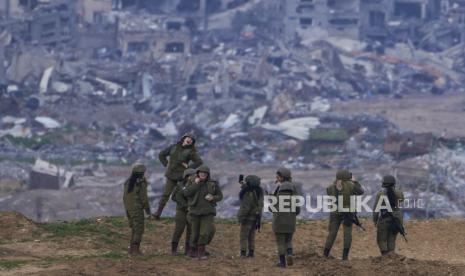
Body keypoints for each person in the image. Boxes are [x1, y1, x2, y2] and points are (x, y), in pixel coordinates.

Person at [154, 133, 203, 219]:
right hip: (171, 175)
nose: (189, 140)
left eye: (191, 140)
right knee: (166, 194)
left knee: (183, 195)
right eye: (188, 138)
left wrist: (188, 167)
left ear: (192, 142)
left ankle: (188, 214)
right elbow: (161, 154)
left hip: (182, 177)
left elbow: (199, 162)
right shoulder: (173, 147)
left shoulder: (191, 151)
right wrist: (166, 164)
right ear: (183, 138)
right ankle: (158, 213)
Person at [323, 170, 364, 261]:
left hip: (335, 212)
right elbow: (361, 191)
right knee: (347, 234)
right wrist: (355, 181)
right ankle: (345, 257)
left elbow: (329, 191)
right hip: (348, 213)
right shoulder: (351, 185)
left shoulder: (331, 187)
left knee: (332, 233)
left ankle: (325, 254)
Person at [183, 165, 223, 259]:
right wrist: (196, 184)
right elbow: (186, 193)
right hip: (194, 212)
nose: (203, 174)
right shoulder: (192, 181)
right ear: (198, 173)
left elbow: (220, 196)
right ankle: (192, 251)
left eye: (205, 173)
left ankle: (201, 251)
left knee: (204, 233)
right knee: (194, 233)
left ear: (208, 174)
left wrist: (213, 198)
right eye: (201, 173)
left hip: (208, 212)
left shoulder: (213, 184)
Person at [271, 167, 300, 268]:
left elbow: (273, 207)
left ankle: (282, 262)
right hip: (290, 219)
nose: (276, 178)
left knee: (280, 242)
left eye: (277, 176)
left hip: (279, 220)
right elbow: (297, 206)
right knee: (288, 240)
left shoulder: (279, 189)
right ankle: (290, 254)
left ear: (282, 177)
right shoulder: (293, 188)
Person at [123, 163, 151, 255]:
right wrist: (148, 211)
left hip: (129, 208)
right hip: (137, 208)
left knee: (134, 228)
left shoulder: (128, 182)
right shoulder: (140, 183)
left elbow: (125, 197)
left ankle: (131, 249)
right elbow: (144, 198)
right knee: (139, 228)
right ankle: (135, 250)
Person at [373, 175, 405, 256]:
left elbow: (376, 209)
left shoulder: (380, 194)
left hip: (385, 218)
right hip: (397, 219)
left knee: (381, 239)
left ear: (383, 183)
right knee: (391, 239)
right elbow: (402, 199)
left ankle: (385, 256)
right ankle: (391, 256)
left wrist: (375, 220)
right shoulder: (399, 193)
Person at [170, 168, 196, 255]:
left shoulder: (195, 186)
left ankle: (188, 250)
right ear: (187, 176)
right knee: (178, 230)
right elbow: (174, 197)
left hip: (191, 211)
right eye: (191, 176)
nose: (193, 177)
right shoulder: (180, 185)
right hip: (181, 211)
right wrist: (184, 205)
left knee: (191, 231)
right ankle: (174, 249)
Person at [237, 175, 264, 258]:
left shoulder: (248, 192)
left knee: (243, 236)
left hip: (247, 217)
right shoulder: (259, 191)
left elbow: (246, 206)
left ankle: (243, 253)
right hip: (255, 217)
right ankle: (251, 252)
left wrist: (241, 217)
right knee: (251, 235)